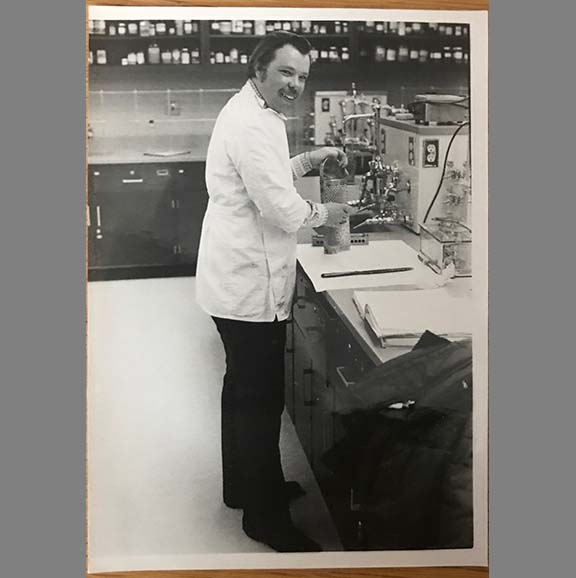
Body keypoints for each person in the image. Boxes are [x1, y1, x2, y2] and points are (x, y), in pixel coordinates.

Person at [195, 31, 352, 553]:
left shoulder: (254, 113)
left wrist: (306, 162)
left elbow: (261, 181)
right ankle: (263, 519)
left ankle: (244, 488)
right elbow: (282, 210)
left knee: (242, 389)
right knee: (259, 399)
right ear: (259, 68)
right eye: (287, 72)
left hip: (236, 276)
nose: (296, 84)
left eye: (303, 76)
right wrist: (332, 214)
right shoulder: (249, 122)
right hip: (247, 283)